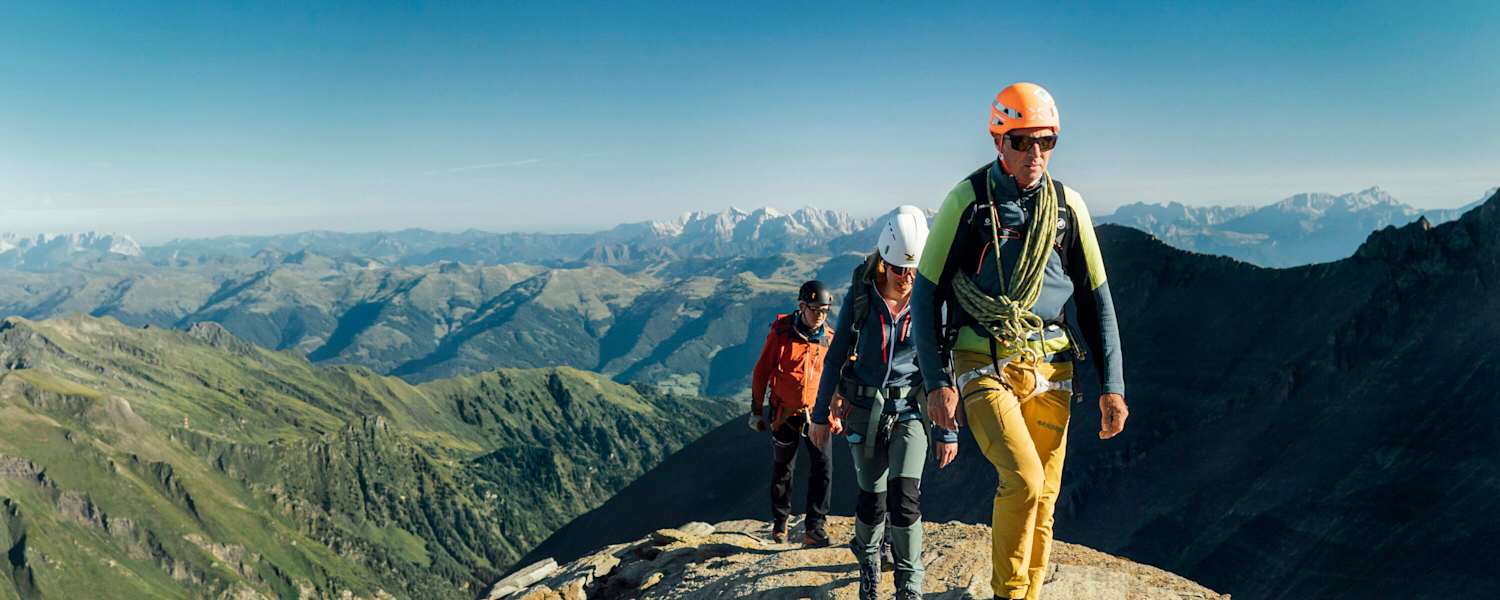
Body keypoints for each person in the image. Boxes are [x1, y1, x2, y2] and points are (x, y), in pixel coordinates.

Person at [911, 82, 1129, 600]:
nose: (1036, 154)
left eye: (1047, 142)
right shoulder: (966, 203)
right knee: (1025, 480)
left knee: (1046, 495)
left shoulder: (1067, 208)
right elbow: (925, 295)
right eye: (1024, 142)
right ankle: (1009, 594)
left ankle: (1028, 593)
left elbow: (1097, 301)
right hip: (980, 358)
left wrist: (1112, 385)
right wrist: (936, 381)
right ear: (998, 141)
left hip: (1052, 365)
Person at [810, 206, 958, 600]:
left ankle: (909, 585)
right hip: (865, 411)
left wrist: (946, 430)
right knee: (871, 499)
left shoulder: (930, 297)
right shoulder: (862, 295)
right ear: (884, 263)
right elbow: (837, 352)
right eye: (899, 270)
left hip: (912, 408)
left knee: (905, 498)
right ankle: (869, 559)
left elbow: (943, 364)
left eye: (913, 271)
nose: (907, 279)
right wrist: (820, 414)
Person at [750, 280, 836, 545]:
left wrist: (836, 413)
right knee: (783, 469)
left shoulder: (828, 339)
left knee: (823, 468)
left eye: (824, 310)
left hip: (817, 416)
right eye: (815, 309)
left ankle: (815, 527)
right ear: (802, 307)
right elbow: (761, 371)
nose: (820, 315)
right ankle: (780, 523)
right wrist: (756, 410)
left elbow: (835, 378)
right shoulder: (782, 334)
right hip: (784, 414)